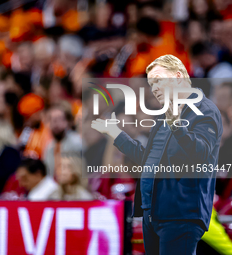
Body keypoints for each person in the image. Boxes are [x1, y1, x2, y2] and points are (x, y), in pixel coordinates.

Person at [91, 54, 223, 255]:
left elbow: (200, 155)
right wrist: (117, 134)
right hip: (153, 213)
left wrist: (177, 126)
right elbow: (148, 160)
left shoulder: (204, 110)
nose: (154, 89)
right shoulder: (165, 114)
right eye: (152, 83)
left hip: (181, 213)